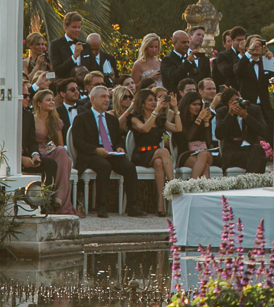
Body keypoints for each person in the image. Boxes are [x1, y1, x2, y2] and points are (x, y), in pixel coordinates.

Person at [71, 84, 141, 217]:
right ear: (92, 99)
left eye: (108, 97)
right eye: (103, 97)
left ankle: (132, 206)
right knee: (104, 166)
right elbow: (78, 142)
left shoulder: (112, 119)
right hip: (91, 154)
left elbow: (117, 139)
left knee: (130, 167)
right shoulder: (81, 118)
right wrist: (96, 150)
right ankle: (101, 206)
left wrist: (120, 147)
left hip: (111, 152)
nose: (107, 100)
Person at [21, 89, 77, 215]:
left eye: (52, 99)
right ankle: (57, 197)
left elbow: (60, 145)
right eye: (48, 100)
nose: (52, 102)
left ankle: (59, 198)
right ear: (39, 103)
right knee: (65, 159)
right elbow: (29, 141)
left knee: (62, 151)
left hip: (51, 152)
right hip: (35, 152)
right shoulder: (31, 119)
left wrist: (53, 147)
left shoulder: (55, 121)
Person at [124, 87, 178, 216]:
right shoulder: (134, 118)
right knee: (164, 151)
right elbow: (145, 129)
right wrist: (157, 111)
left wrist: (176, 109)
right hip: (141, 154)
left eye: (155, 100)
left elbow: (178, 128)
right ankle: (174, 186)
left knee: (159, 163)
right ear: (142, 104)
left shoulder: (160, 119)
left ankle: (160, 204)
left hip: (155, 155)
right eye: (150, 100)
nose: (154, 102)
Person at [175, 90, 215, 180]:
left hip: (204, 152)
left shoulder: (203, 118)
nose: (197, 107)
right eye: (194, 105)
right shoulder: (180, 118)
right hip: (186, 153)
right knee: (204, 167)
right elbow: (187, 138)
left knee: (203, 154)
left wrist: (206, 122)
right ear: (187, 105)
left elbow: (209, 142)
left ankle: (191, 185)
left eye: (199, 105)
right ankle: (204, 191)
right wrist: (199, 118)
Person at [48, 12, 86, 83]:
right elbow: (58, 70)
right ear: (65, 26)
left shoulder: (85, 45)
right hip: (65, 85)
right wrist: (74, 57)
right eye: (74, 27)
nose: (77, 30)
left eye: (79, 27)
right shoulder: (56, 45)